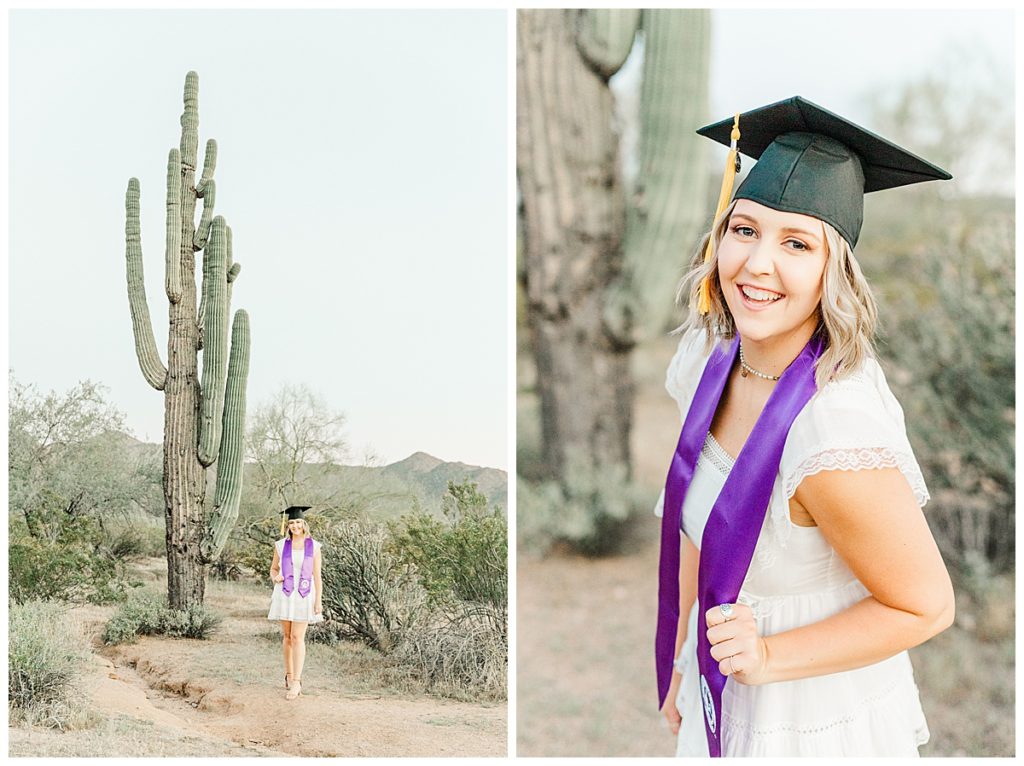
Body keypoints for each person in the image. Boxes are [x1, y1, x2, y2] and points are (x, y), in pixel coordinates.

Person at [654, 96, 955, 757]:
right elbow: (698, 526)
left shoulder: (833, 430)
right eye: (745, 230)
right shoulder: (707, 363)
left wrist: (766, 656)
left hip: (816, 712)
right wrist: (683, 661)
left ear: (833, 270)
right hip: (725, 686)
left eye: (796, 243)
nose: (758, 264)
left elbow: (926, 606)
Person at [268, 505, 324, 700]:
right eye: (291, 522)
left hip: (304, 594)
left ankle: (297, 683)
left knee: (298, 637)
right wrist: (276, 578)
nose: (295, 526)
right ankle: (289, 676)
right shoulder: (281, 545)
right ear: (288, 525)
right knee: (287, 636)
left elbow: (318, 576)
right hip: (285, 593)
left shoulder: (314, 546)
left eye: (298, 522)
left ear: (304, 524)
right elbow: (273, 569)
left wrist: (318, 600)